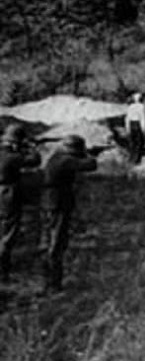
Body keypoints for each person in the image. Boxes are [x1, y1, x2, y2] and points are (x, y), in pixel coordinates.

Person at [41, 135, 97, 293]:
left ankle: (48, 281)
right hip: (58, 203)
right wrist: (89, 154)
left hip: (49, 202)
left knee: (50, 242)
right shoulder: (66, 160)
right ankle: (53, 284)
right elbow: (91, 165)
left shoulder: (56, 157)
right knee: (56, 244)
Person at [0, 124, 41, 282]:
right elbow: (35, 161)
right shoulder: (13, 157)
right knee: (8, 233)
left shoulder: (7, 154)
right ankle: (3, 271)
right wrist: (32, 147)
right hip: (7, 195)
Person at [125, 92, 145, 164]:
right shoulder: (142, 106)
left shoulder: (130, 106)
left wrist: (127, 128)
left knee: (133, 142)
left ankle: (131, 158)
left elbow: (127, 118)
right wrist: (144, 129)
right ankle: (137, 160)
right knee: (139, 143)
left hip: (131, 124)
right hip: (138, 125)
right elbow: (142, 118)